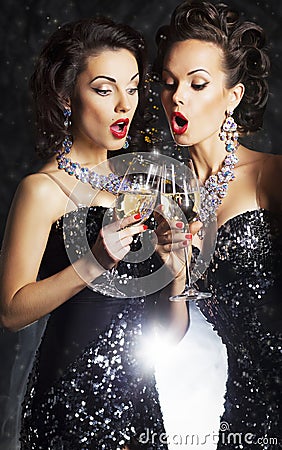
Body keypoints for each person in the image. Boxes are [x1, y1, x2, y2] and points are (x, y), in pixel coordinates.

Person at [0, 17, 190, 449]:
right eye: (105, 90)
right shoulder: (42, 191)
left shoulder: (135, 191)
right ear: (67, 96)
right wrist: (94, 263)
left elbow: (167, 334)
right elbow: (10, 313)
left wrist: (176, 274)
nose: (125, 104)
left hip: (140, 406)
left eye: (134, 87)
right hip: (67, 404)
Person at [154, 0, 282, 447]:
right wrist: (174, 274)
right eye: (169, 84)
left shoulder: (270, 176)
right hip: (243, 406)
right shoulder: (167, 198)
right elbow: (169, 334)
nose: (178, 97)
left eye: (198, 83)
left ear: (233, 96)